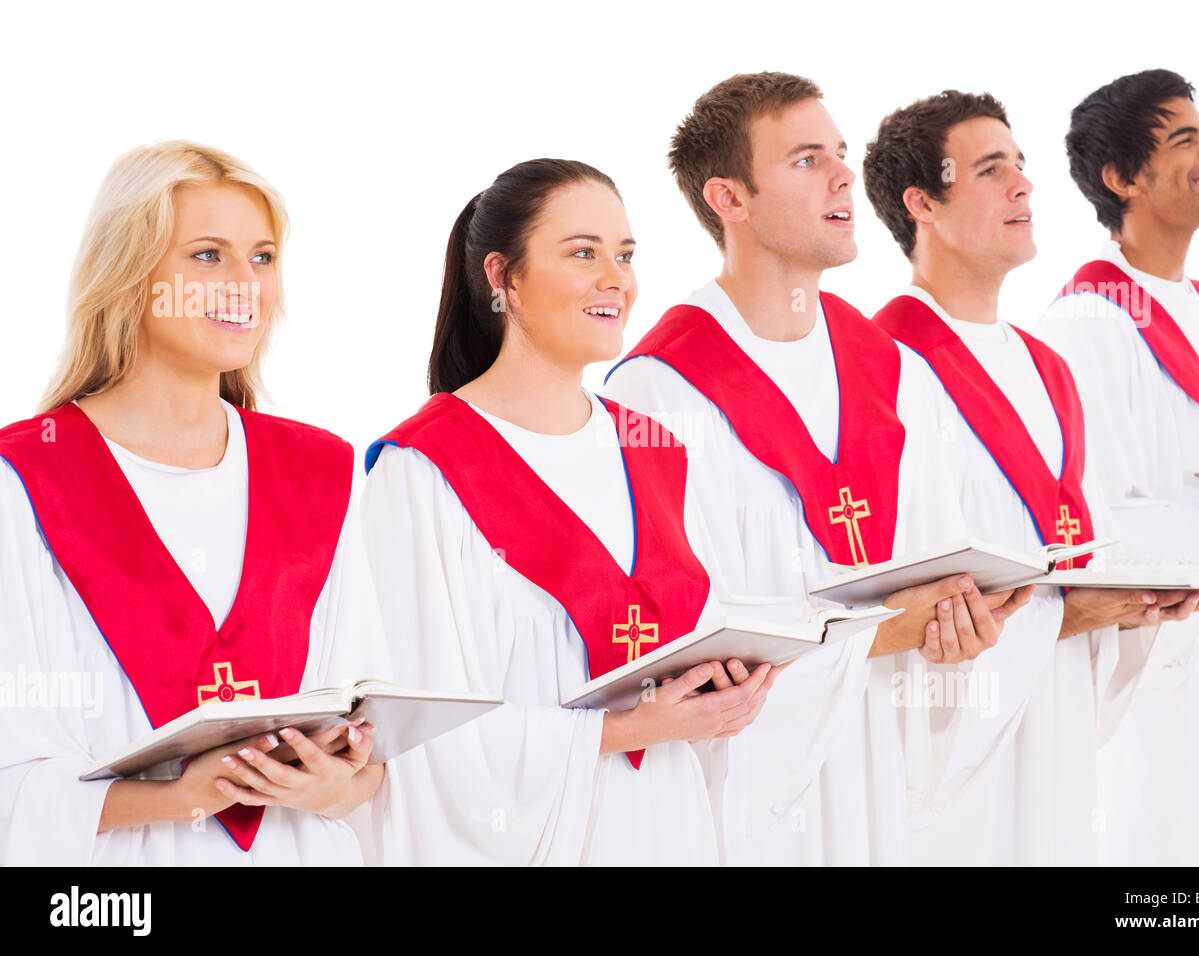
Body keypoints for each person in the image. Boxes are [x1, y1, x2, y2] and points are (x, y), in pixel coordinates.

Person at [603, 72, 1033, 866]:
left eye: (839, 153)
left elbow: (935, 574)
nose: (843, 175)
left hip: (872, 774)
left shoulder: (891, 368)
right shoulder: (654, 389)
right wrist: (884, 632)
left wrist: (951, 629)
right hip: (744, 794)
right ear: (729, 199)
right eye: (807, 159)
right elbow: (684, 641)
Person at [363, 158, 782, 866]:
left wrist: (728, 691)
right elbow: (420, 736)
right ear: (504, 278)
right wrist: (620, 731)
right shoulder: (422, 473)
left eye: (623, 255)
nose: (616, 278)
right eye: (583, 253)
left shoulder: (657, 452)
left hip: (668, 827)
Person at [0, 141, 388, 865]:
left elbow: (366, 756)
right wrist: (182, 795)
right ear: (131, 276)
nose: (246, 284)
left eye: (263, 258)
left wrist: (334, 783)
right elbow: (11, 778)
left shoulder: (316, 472)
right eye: (209, 256)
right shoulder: (26, 479)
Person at [862, 90, 1199, 865]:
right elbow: (889, 594)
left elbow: (1078, 548)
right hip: (952, 739)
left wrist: (1132, 605)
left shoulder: (1048, 367)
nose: (1024, 185)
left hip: (1051, 718)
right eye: (991, 170)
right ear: (922, 203)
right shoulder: (876, 367)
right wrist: (1063, 616)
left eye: (1020, 166)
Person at [1037, 68, 1199, 865]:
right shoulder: (1084, 323)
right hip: (1153, 658)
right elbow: (1087, 525)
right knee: (1159, 859)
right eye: (1184, 139)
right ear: (1122, 179)